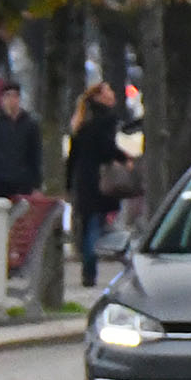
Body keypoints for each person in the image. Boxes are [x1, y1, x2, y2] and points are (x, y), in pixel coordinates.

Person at [67, 81, 125, 289]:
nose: (112, 93)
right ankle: (93, 268)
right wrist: (124, 157)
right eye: (108, 90)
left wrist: (68, 183)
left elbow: (72, 157)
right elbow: (107, 148)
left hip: (84, 181)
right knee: (97, 226)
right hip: (101, 181)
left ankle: (88, 270)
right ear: (100, 97)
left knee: (89, 224)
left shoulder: (82, 121)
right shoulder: (106, 120)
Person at [0, 80, 43, 198]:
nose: (11, 100)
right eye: (7, 96)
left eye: (14, 96)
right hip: (0, 182)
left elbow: (35, 155)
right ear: (2, 99)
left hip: (23, 183)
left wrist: (36, 185)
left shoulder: (30, 125)